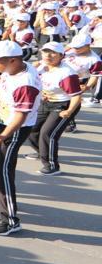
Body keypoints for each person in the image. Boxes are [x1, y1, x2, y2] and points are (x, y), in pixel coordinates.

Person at [0, 40, 41, 236]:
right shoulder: (11, 69)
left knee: (2, 170)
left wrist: (4, 135)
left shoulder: (25, 82)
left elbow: (21, 116)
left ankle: (10, 219)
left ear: (13, 60)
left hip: (12, 128)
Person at [26, 42, 81, 175]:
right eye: (45, 51)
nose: (48, 55)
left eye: (53, 53)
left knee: (48, 133)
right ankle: (42, 152)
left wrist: (69, 111)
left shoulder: (66, 73)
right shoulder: (41, 67)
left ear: (61, 56)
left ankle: (52, 165)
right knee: (31, 128)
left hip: (63, 105)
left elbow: (76, 96)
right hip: (46, 103)